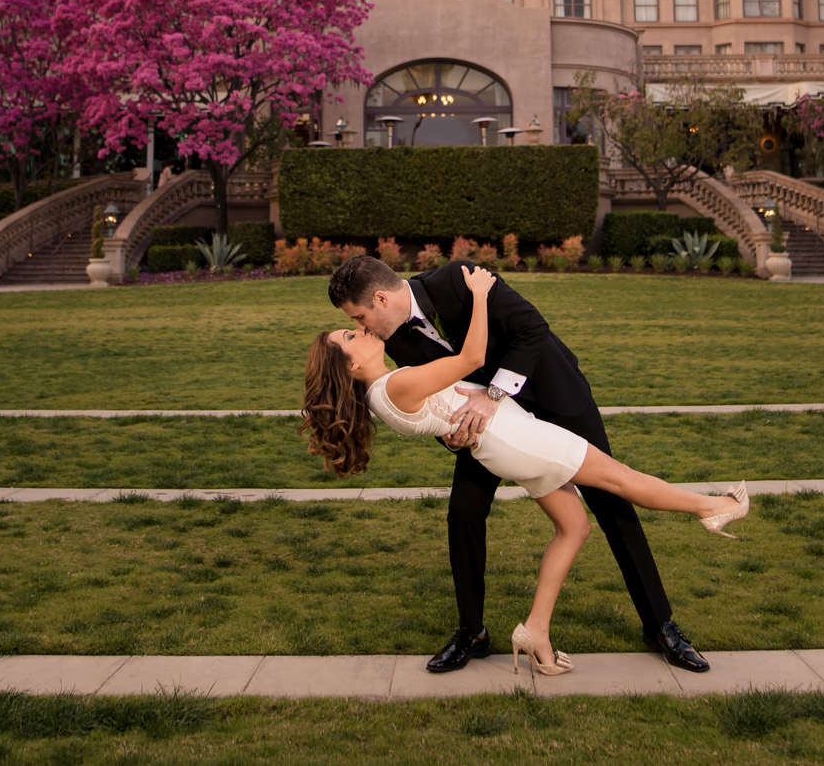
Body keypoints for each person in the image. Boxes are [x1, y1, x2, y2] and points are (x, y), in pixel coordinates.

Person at [307, 255, 742, 674]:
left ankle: (660, 626)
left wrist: (494, 396)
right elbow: (433, 402)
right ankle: (471, 632)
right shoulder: (393, 342)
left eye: (359, 317)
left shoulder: (460, 279)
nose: (359, 326)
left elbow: (532, 329)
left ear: (381, 299)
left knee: (612, 505)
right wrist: (453, 437)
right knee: (464, 514)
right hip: (492, 433)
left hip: (551, 395)